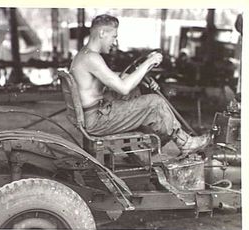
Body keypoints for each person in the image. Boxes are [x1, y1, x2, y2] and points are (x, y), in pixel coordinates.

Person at [69, 14, 209, 154]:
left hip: (94, 115)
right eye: (114, 36)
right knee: (155, 102)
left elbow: (112, 77)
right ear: (102, 33)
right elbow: (123, 88)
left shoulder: (84, 55)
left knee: (135, 92)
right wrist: (148, 62)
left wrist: (140, 78)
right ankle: (185, 143)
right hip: (97, 120)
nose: (114, 42)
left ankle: (155, 141)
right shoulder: (92, 58)